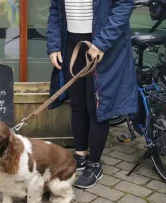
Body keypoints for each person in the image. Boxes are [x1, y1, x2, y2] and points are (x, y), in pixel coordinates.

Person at [47, 0, 137, 189]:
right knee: (77, 103)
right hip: (71, 44)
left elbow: (124, 5)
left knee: (97, 106)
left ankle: (94, 164)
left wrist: (102, 43)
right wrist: (54, 45)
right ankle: (80, 156)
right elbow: (56, 9)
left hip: (102, 47)